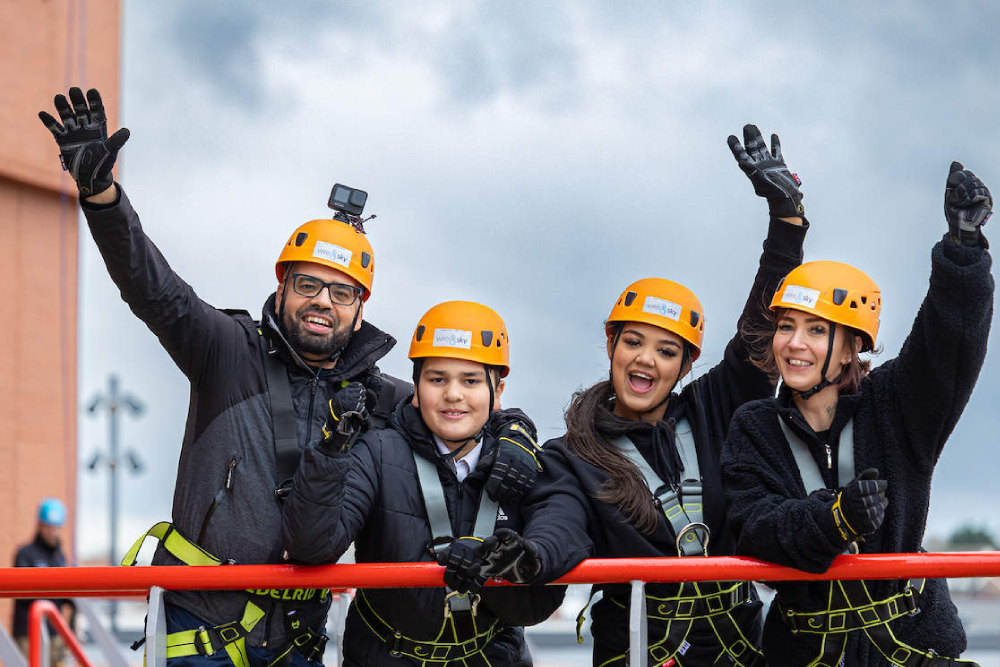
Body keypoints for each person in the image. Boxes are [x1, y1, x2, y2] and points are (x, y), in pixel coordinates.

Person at [36, 87, 419, 667]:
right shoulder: (227, 351)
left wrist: (513, 430)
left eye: (342, 293)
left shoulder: (382, 398)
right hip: (203, 632)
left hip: (298, 639)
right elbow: (152, 286)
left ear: (360, 309)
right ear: (282, 286)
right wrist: (102, 196)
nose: (323, 303)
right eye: (308, 285)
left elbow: (458, 416)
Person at [455, 125, 809, 667]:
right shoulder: (568, 456)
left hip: (738, 648)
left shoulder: (716, 410)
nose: (646, 360)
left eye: (667, 352)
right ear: (611, 343)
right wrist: (529, 555)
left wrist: (786, 221)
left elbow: (761, 327)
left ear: (686, 365)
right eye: (634, 342)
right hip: (638, 651)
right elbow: (560, 526)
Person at [720, 161, 993, 666]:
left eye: (816, 330)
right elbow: (756, 530)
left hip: (911, 645)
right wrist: (835, 517)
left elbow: (948, 347)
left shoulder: (895, 405)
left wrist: (963, 250)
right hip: (807, 652)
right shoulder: (754, 426)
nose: (794, 344)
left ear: (850, 351)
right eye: (786, 326)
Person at [282, 301, 565, 667]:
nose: (453, 394)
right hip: (384, 656)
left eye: (471, 380)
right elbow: (310, 547)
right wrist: (331, 448)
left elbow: (539, 603)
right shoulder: (377, 452)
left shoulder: (524, 464)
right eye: (437, 379)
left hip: (492, 657)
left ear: (499, 389)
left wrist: (500, 565)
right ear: (415, 388)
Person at [12, 499, 75, 667]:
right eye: (48, 527)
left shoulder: (60, 557)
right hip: (28, 632)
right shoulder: (25, 554)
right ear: (40, 525)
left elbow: (63, 593)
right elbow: (25, 590)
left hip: (55, 631)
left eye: (56, 527)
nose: (52, 532)